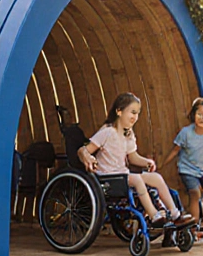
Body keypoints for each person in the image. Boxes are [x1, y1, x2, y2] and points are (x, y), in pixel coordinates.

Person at [79, 92, 193, 229]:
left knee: (156, 178)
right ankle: (153, 215)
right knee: (137, 180)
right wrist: (87, 157)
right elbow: (84, 150)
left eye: (137, 113)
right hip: (107, 177)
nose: (135, 117)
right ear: (119, 111)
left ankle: (175, 214)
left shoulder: (128, 134)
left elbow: (132, 157)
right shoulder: (108, 132)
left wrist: (146, 162)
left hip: (122, 175)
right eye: (132, 112)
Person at [163, 97, 203, 242]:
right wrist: (162, 164)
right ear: (193, 114)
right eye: (200, 114)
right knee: (194, 192)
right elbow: (175, 150)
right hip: (187, 170)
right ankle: (194, 227)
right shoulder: (186, 133)